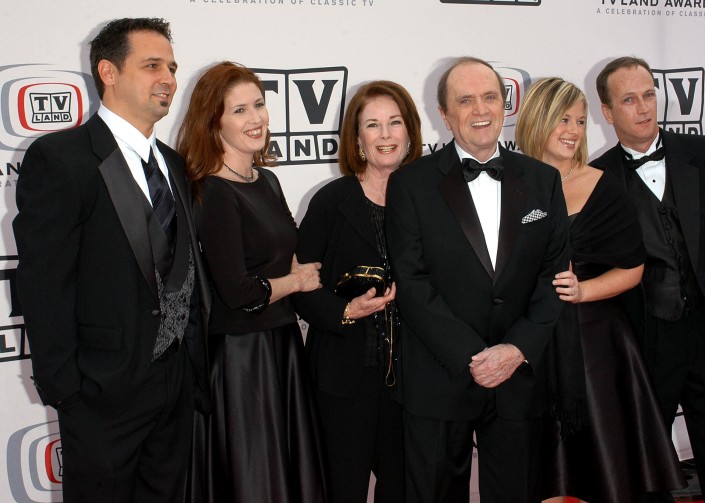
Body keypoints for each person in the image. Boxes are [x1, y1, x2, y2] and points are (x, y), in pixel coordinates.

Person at [13, 18, 208, 502]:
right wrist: (69, 393)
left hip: (177, 385)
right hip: (101, 393)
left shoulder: (175, 163)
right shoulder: (62, 158)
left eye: (171, 67)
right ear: (109, 71)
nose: (168, 78)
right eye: (151, 65)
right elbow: (44, 282)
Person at [385, 56, 570, 503]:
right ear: (444, 114)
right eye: (465, 101)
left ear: (505, 105)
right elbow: (412, 282)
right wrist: (475, 356)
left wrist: (515, 349)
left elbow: (554, 277)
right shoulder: (410, 185)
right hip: (440, 376)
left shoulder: (543, 181)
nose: (481, 110)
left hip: (518, 377)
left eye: (490, 97)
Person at [590, 56, 705, 503]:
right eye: (629, 99)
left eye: (649, 94)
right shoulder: (597, 180)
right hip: (646, 345)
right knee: (647, 471)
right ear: (608, 113)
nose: (644, 108)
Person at [515, 77, 685, 503]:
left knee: (604, 471)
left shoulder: (603, 183)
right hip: (528, 345)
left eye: (580, 120)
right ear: (537, 121)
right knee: (541, 473)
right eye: (562, 119)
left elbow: (633, 268)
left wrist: (582, 291)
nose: (573, 129)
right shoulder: (509, 184)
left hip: (597, 349)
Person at [176, 61, 327, 503]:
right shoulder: (212, 192)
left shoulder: (269, 181)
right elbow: (238, 292)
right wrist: (296, 283)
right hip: (243, 359)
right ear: (214, 121)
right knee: (256, 481)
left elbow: (288, 253)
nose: (256, 118)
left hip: (281, 347)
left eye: (258, 105)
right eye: (239, 110)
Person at [292, 80, 422, 503]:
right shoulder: (331, 201)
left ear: (410, 132)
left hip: (414, 382)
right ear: (358, 138)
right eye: (373, 125)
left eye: (394, 123)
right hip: (344, 380)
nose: (385, 135)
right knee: (341, 491)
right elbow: (301, 288)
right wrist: (346, 310)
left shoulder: (431, 198)